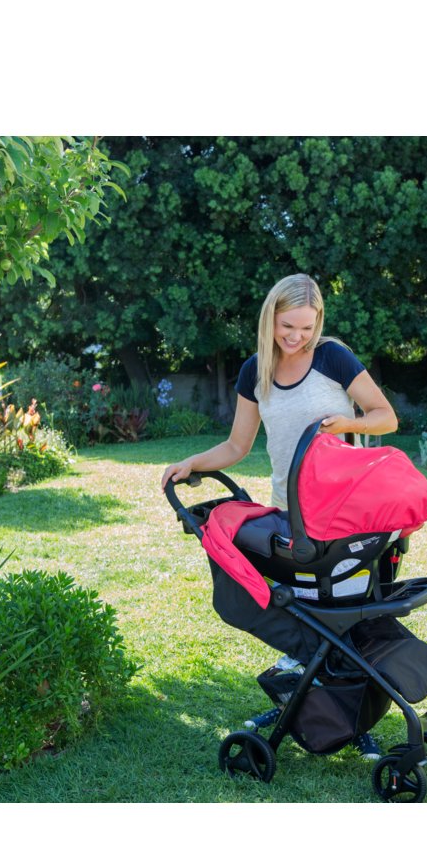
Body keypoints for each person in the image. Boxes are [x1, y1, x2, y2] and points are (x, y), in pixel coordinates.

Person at [161, 273, 399, 760]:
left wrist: (349, 422)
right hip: (292, 515)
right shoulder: (255, 371)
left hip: (346, 513)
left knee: (341, 610)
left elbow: (386, 416)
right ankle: (319, 703)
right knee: (309, 612)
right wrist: (192, 464)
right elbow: (237, 445)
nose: (297, 337)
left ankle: (347, 713)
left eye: (307, 327)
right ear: (270, 318)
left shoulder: (332, 357)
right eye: (288, 326)